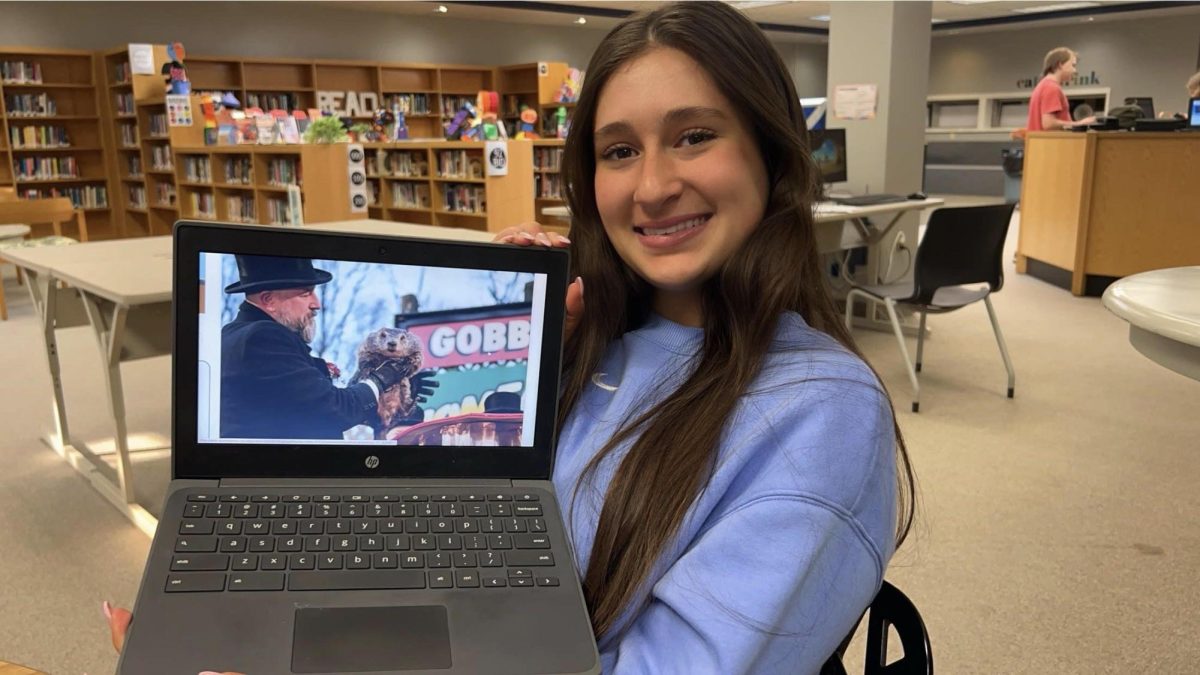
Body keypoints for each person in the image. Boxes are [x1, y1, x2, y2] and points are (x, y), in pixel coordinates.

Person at [105, 3, 914, 673]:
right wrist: (547, 356)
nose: (655, 185)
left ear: (773, 152)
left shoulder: (821, 415)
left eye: (695, 134)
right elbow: (457, 492)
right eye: (619, 150)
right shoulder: (598, 338)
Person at [219, 254, 433, 440]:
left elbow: (304, 409)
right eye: (305, 293)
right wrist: (381, 379)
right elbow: (333, 410)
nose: (316, 304)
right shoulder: (263, 338)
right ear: (269, 300)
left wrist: (396, 404)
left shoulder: (237, 334)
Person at [1026, 46, 1096, 131]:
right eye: (1073, 65)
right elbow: (1049, 124)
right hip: (1050, 144)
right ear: (1060, 65)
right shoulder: (1051, 87)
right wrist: (1079, 123)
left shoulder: (1043, 85)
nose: (1075, 71)